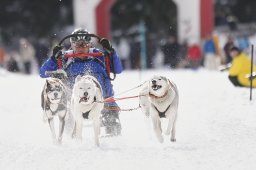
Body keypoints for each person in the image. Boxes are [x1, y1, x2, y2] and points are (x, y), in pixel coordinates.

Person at [39, 28, 123, 136]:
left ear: (90, 44)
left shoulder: (101, 56)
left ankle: (113, 142)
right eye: (77, 45)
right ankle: (71, 142)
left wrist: (112, 52)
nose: (81, 48)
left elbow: (118, 70)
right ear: (72, 45)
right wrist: (53, 58)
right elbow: (42, 73)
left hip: (103, 102)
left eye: (84, 45)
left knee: (114, 130)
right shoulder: (65, 59)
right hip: (74, 104)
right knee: (68, 125)